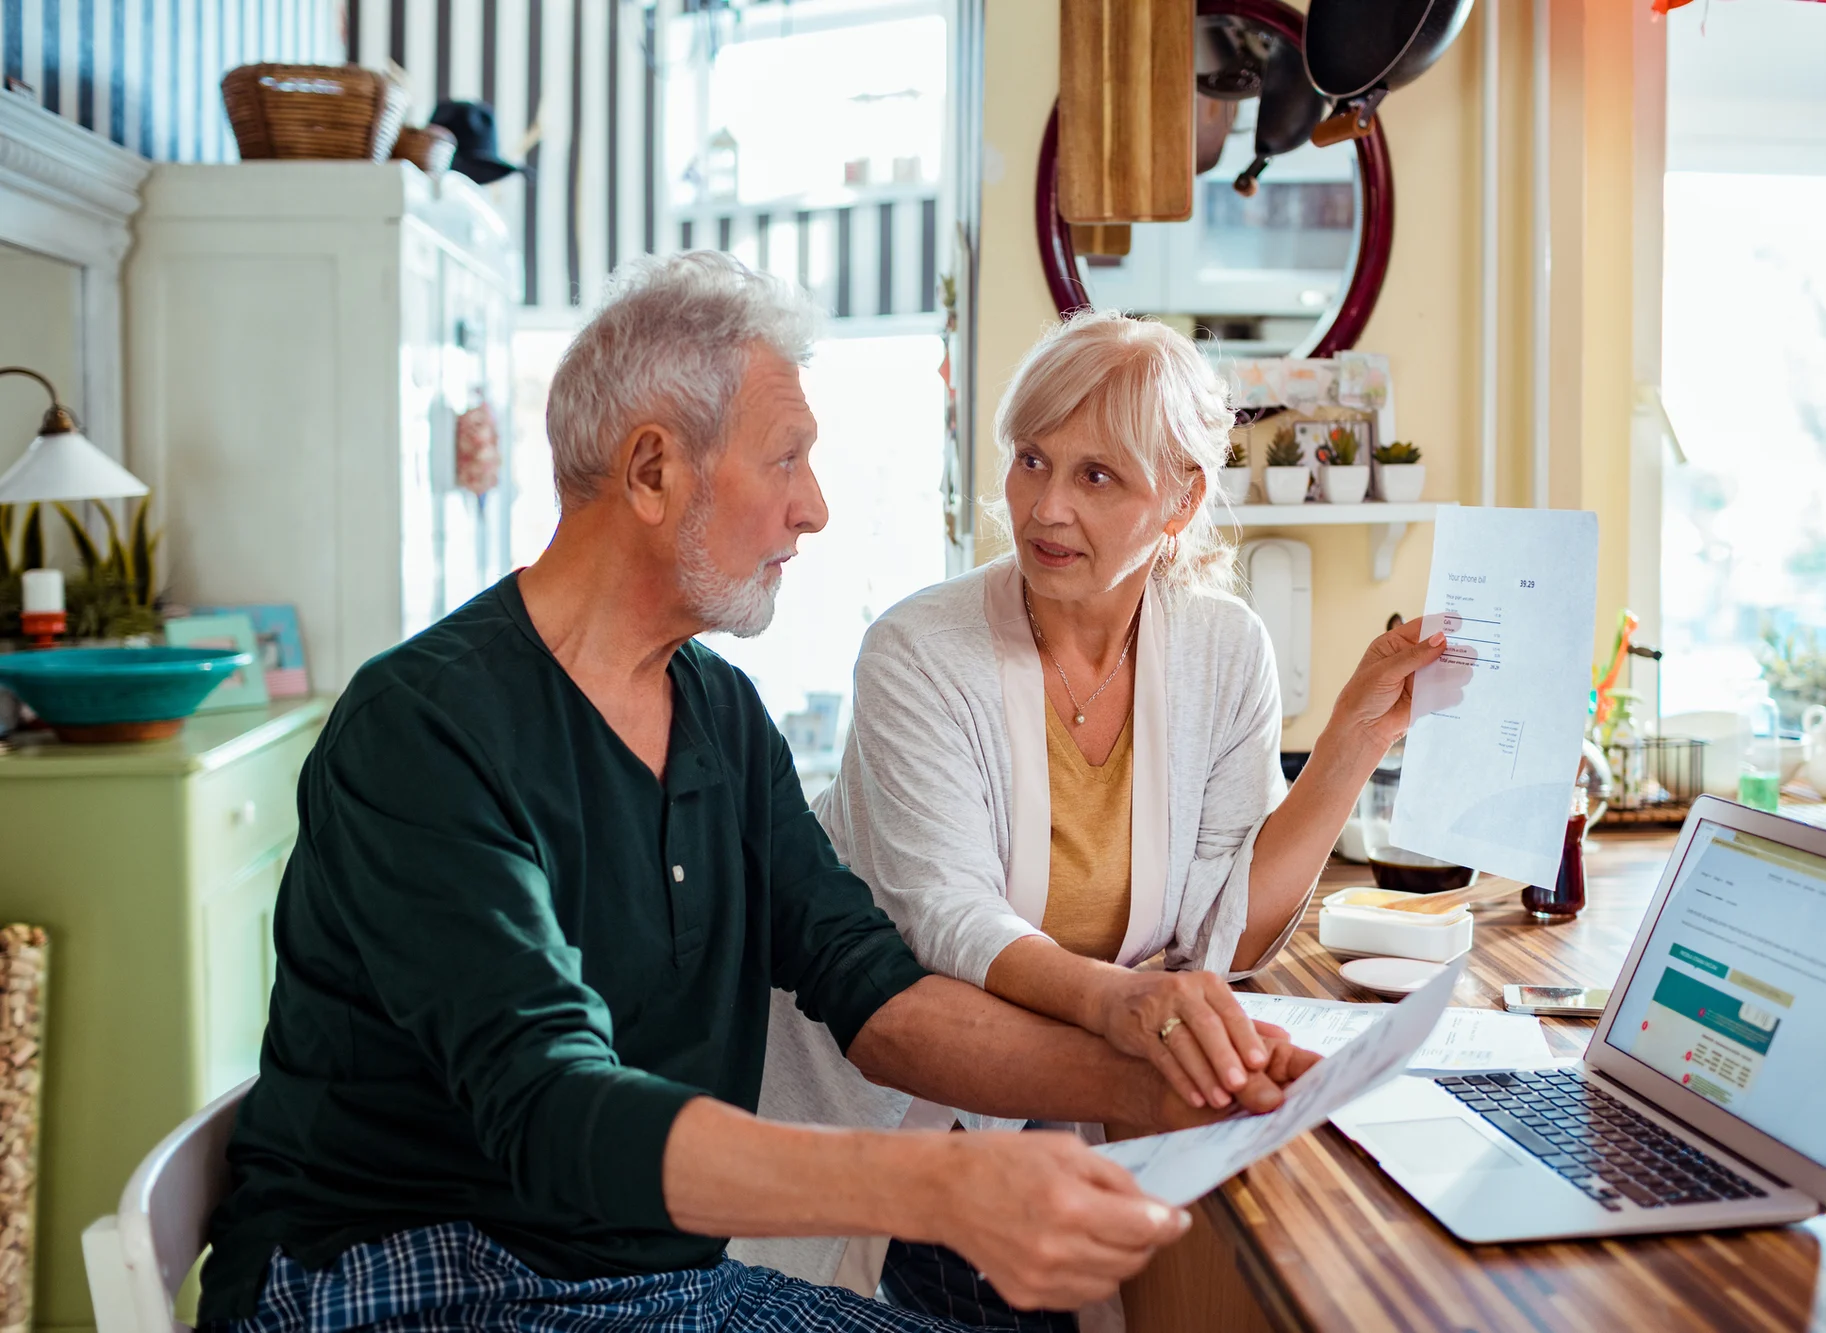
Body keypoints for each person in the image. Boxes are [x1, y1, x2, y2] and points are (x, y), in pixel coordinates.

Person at [196, 255, 1321, 1333]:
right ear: (652, 472)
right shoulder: (424, 726)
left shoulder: (720, 715)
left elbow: (875, 992)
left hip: (646, 1285)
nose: (814, 508)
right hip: (404, 1282)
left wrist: (1164, 1070)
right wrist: (938, 1184)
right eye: (786, 460)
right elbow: (549, 1109)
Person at [748, 310, 1453, 1326]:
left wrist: (1354, 735)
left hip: (1062, 1107)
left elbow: (1226, 928)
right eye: (1031, 459)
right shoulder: (917, 652)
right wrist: (1123, 1005)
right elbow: (949, 920)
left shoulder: (1223, 650)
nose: (1045, 507)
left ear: (1182, 498)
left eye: (1097, 476)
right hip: (903, 1117)